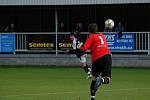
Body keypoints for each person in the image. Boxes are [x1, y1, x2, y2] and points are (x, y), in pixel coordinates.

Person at [80, 23, 112, 100]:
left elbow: (84, 48)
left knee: (94, 79)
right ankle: (101, 80)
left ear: (89, 31)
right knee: (107, 79)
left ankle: (92, 97)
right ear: (97, 29)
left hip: (97, 59)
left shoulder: (91, 37)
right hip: (107, 56)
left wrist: (80, 46)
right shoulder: (102, 36)